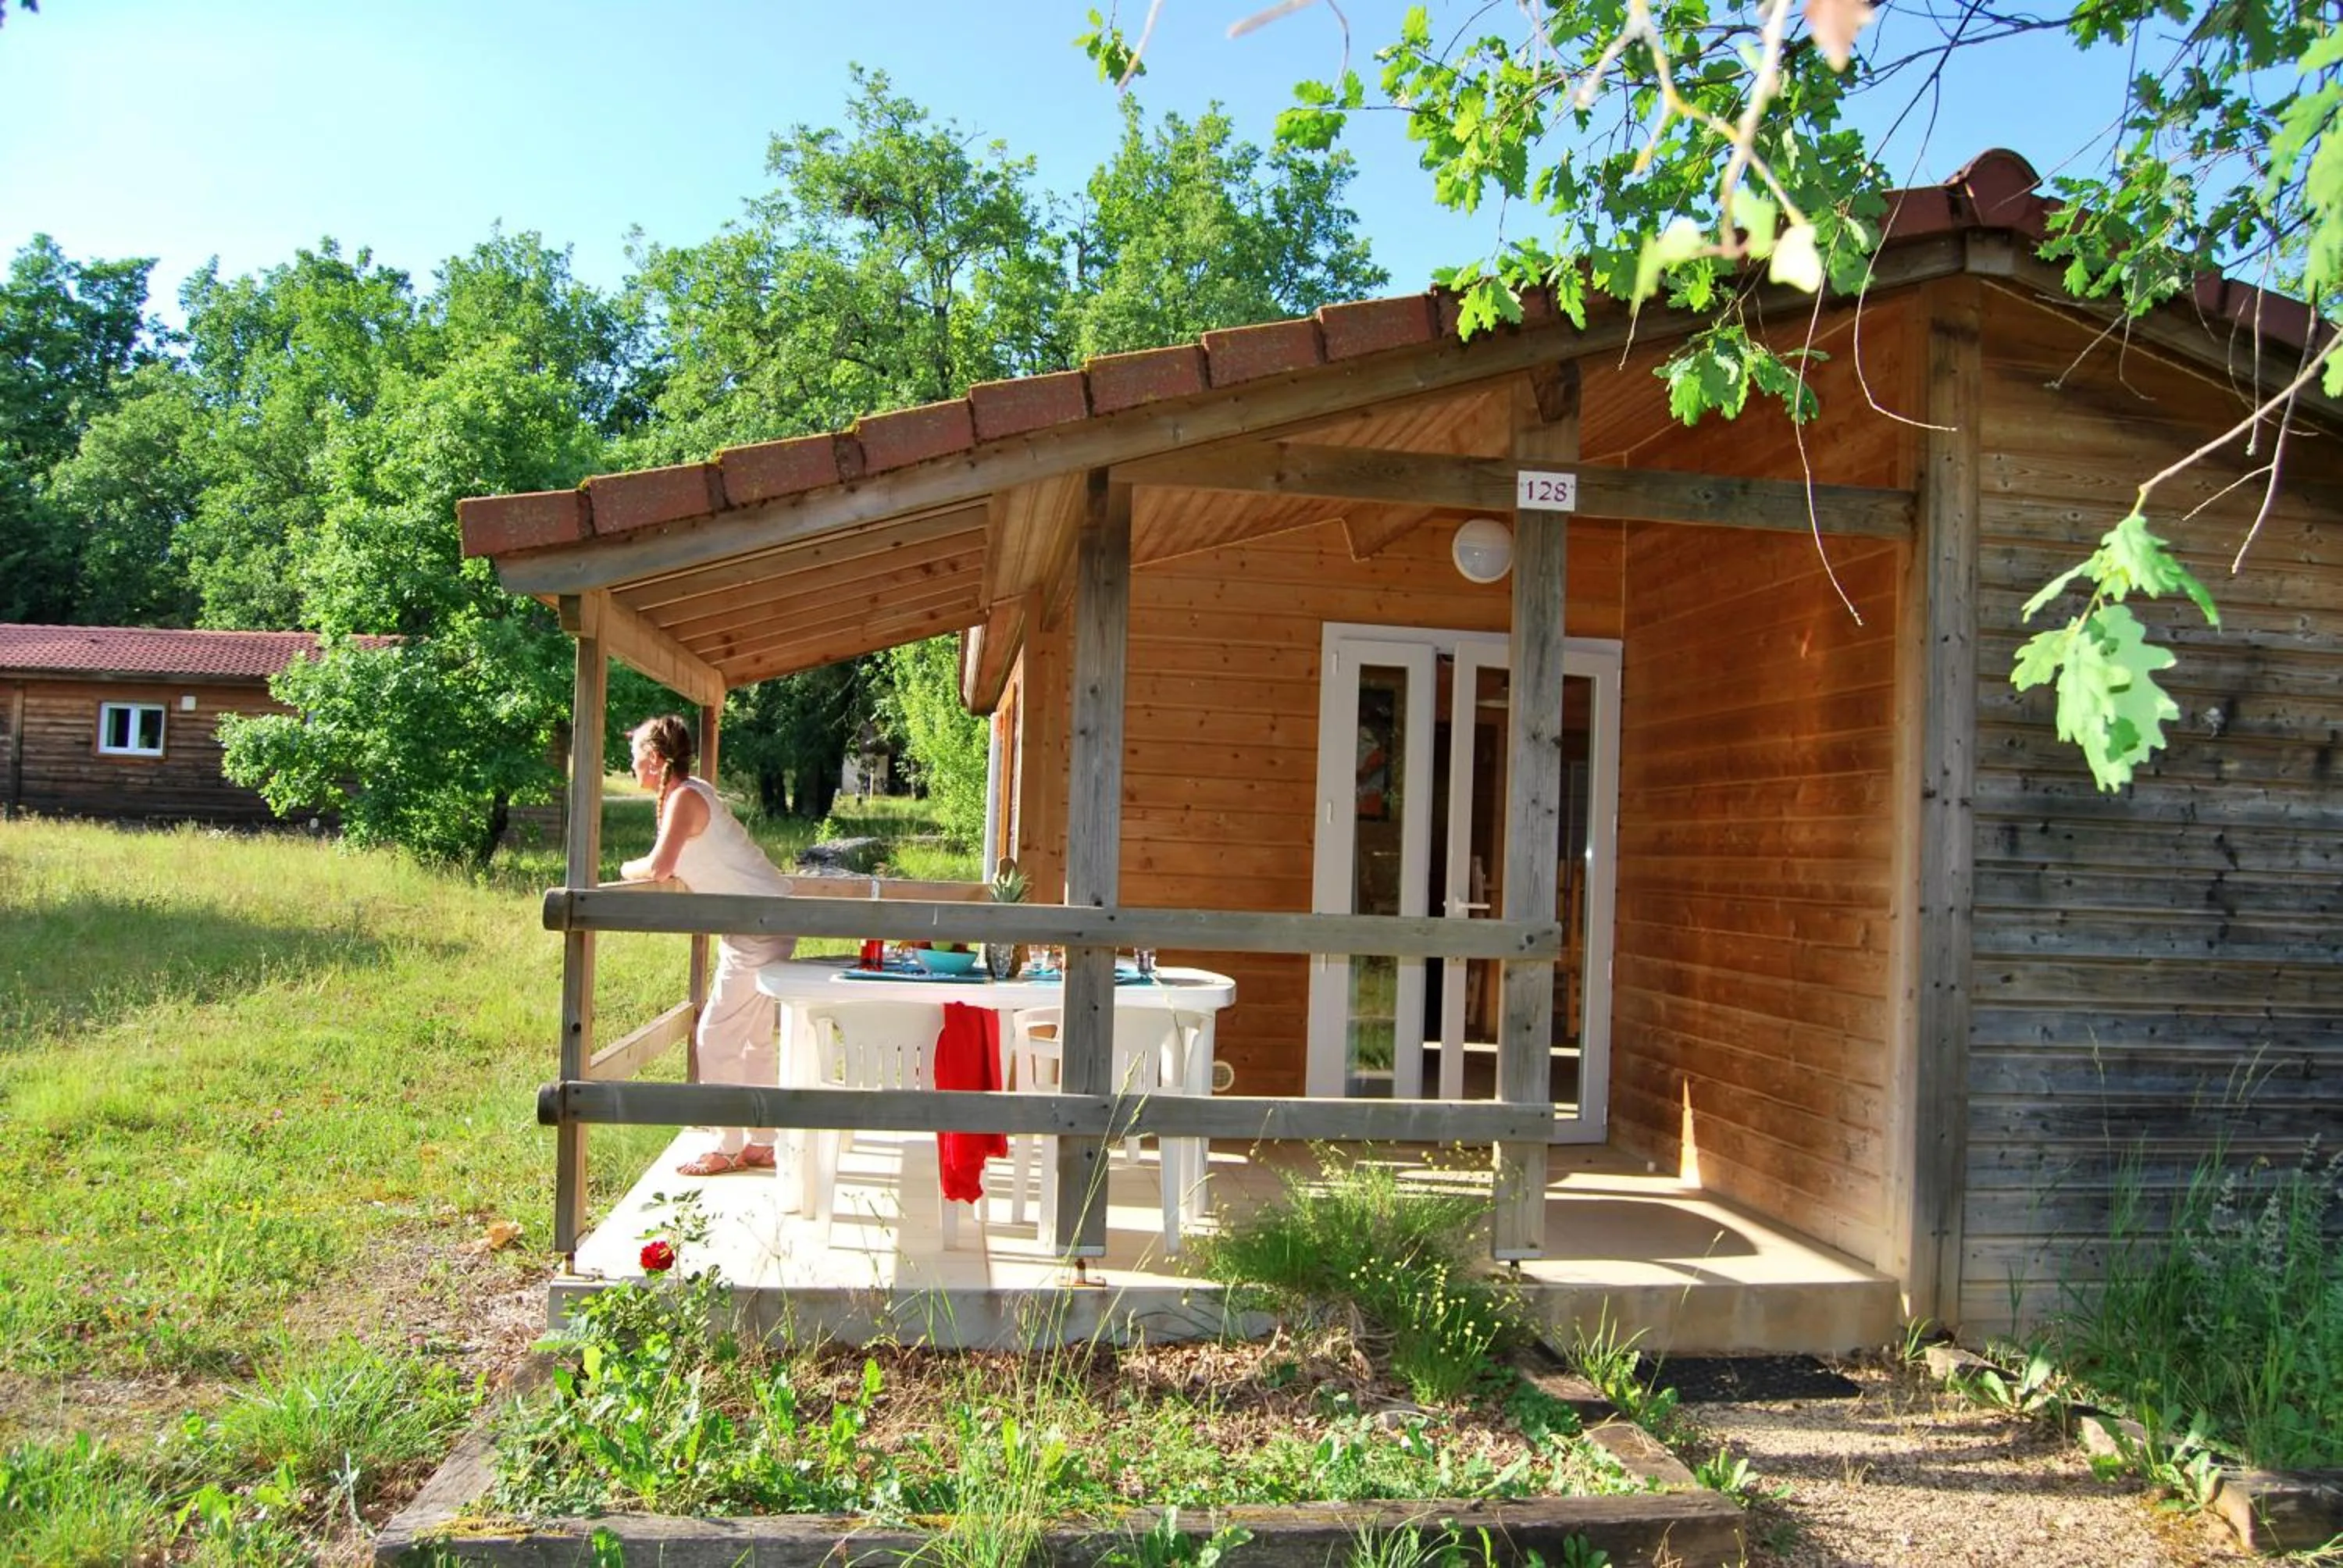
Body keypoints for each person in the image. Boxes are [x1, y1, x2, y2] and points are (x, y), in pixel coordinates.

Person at [619, 714, 796, 1176]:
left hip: (759, 925)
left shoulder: (685, 798)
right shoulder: (690, 791)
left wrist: (623, 869)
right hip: (765, 919)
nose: (631, 766)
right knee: (754, 1037)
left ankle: (725, 1144)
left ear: (656, 760)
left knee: (715, 1035)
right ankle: (761, 1141)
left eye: (636, 757)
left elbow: (659, 868)